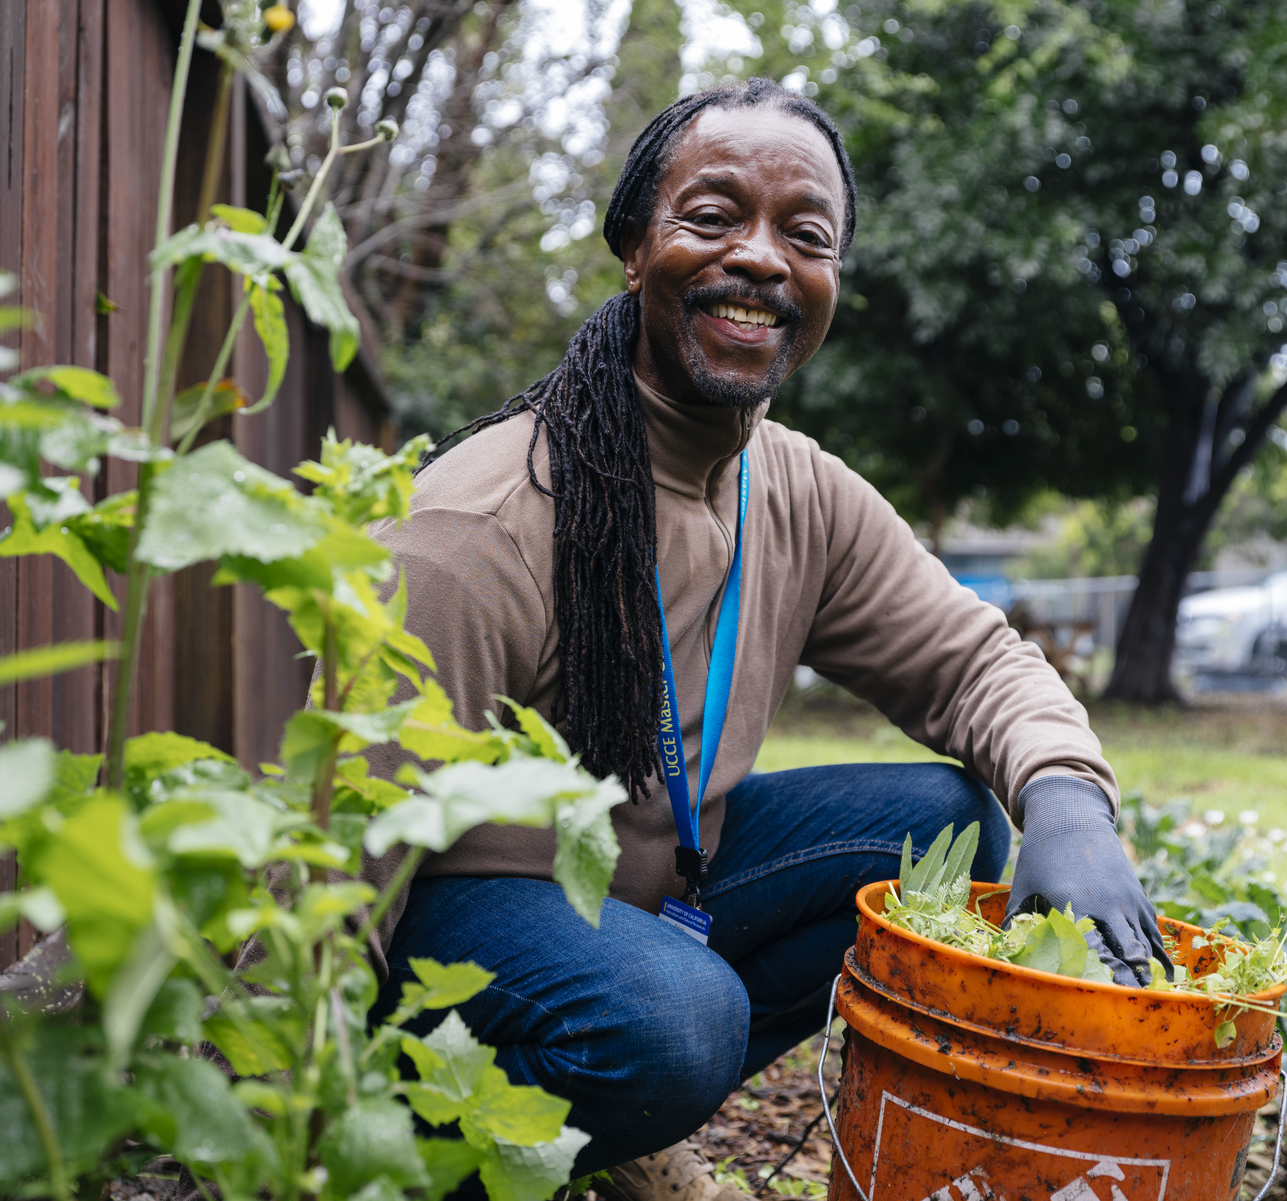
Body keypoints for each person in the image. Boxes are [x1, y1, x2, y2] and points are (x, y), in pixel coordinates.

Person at [361, 78, 1169, 1201]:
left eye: (805, 234)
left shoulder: (792, 488)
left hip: (644, 902)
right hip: (463, 927)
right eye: (711, 216)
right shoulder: (483, 523)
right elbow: (347, 848)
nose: (760, 258)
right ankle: (444, 1158)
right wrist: (309, 1122)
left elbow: (971, 661)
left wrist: (1070, 800)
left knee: (940, 830)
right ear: (634, 249)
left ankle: (610, 1115)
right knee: (677, 1019)